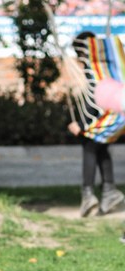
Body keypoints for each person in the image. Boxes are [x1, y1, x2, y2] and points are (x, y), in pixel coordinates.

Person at [68, 31, 125, 217]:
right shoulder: (108, 65)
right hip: (116, 116)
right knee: (101, 147)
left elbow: (94, 99)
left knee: (89, 145)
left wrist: (82, 125)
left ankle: (88, 195)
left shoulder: (93, 69)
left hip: (105, 117)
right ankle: (109, 192)